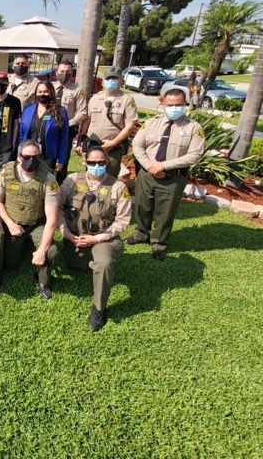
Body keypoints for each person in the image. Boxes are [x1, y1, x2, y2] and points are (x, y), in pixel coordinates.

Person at [58, 146, 132, 331]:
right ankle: (84, 257)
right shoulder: (71, 180)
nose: (96, 166)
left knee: (103, 263)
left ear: (107, 162)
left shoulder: (118, 187)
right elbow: (57, 208)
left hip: (103, 238)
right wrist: (66, 233)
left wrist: (97, 239)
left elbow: (122, 221)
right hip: (74, 237)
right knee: (76, 265)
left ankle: (99, 309)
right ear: (84, 162)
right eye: (92, 162)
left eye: (101, 162)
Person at [128, 88, 206, 261]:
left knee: (165, 212)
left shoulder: (194, 128)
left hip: (173, 177)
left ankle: (159, 244)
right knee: (142, 206)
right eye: (170, 105)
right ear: (163, 104)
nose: (174, 108)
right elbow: (137, 145)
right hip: (148, 174)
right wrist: (150, 166)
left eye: (178, 105)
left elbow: (195, 154)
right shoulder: (151, 123)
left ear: (185, 104)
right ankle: (141, 234)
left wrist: (163, 165)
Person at [0, 140, 60, 300]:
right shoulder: (6, 173)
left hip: (36, 224)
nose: (31, 161)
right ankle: (25, 246)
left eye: (35, 157)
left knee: (51, 251)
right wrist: (10, 223)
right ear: (18, 157)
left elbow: (52, 219)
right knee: (10, 264)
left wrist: (42, 249)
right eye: (26, 157)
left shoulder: (49, 179)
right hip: (13, 223)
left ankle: (43, 282)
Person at [76, 66, 139, 177]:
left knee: (110, 177)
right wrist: (80, 142)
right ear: (104, 81)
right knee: (91, 176)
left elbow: (130, 126)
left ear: (121, 80)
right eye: (108, 78)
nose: (111, 81)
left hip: (113, 149)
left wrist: (113, 143)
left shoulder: (127, 99)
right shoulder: (95, 98)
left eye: (115, 78)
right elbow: (86, 121)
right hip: (93, 145)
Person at [18, 82, 69, 172]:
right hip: (28, 155)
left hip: (49, 157)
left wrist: (61, 160)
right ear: (36, 93)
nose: (42, 94)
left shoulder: (60, 111)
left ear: (51, 93)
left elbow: (63, 137)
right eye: (40, 92)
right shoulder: (28, 109)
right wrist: (19, 154)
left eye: (46, 91)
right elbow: (21, 134)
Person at [53, 60, 87, 183]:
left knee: (62, 161)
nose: (64, 74)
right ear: (56, 72)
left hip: (66, 130)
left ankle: (61, 187)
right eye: (62, 71)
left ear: (72, 73)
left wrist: (67, 124)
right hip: (49, 129)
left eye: (67, 72)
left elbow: (83, 112)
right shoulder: (50, 87)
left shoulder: (78, 90)